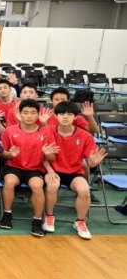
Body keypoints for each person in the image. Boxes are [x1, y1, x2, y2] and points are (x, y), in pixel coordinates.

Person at [42, 102, 107, 240]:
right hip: (53, 170)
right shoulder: (48, 131)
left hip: (74, 171)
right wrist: (49, 171)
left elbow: (90, 161)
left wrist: (93, 162)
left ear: (76, 117)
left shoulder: (85, 136)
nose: (65, 117)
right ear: (56, 116)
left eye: (69, 114)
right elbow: (42, 157)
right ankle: (49, 216)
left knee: (84, 191)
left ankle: (80, 221)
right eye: (61, 114)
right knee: (52, 186)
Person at [0, 99, 57, 237]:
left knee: (37, 186)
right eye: (25, 112)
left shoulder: (46, 132)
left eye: (32, 113)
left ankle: (37, 220)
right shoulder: (9, 131)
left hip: (35, 168)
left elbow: (52, 158)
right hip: (14, 167)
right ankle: (7, 214)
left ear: (38, 114)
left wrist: (48, 154)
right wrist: (10, 154)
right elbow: (2, 154)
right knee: (9, 182)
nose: (29, 116)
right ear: (19, 114)